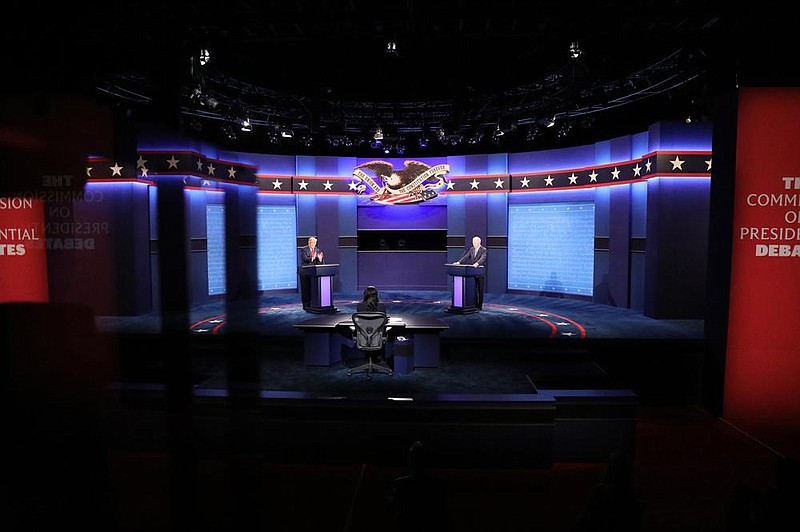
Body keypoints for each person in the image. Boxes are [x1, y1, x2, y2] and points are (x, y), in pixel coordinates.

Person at [388, 440, 448, 532]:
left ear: (411, 460)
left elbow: (395, 510)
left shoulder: (400, 484)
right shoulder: (439, 484)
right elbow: (442, 513)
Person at [453, 235, 487, 309]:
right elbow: (466, 256)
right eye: (473, 242)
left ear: (479, 242)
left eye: (475, 242)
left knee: (480, 290)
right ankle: (474, 305)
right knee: (474, 290)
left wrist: (477, 263)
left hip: (480, 272)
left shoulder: (483, 249)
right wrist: (459, 262)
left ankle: (479, 306)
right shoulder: (471, 249)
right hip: (473, 273)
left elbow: (483, 258)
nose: (473, 243)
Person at [298, 236, 324, 310]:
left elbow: (319, 262)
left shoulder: (317, 250)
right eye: (311, 242)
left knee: (312, 289)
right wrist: (312, 257)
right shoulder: (304, 249)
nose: (313, 244)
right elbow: (305, 259)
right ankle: (305, 305)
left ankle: (312, 304)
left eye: (314, 242)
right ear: (308, 242)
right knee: (305, 289)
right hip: (305, 273)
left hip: (313, 273)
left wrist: (320, 259)